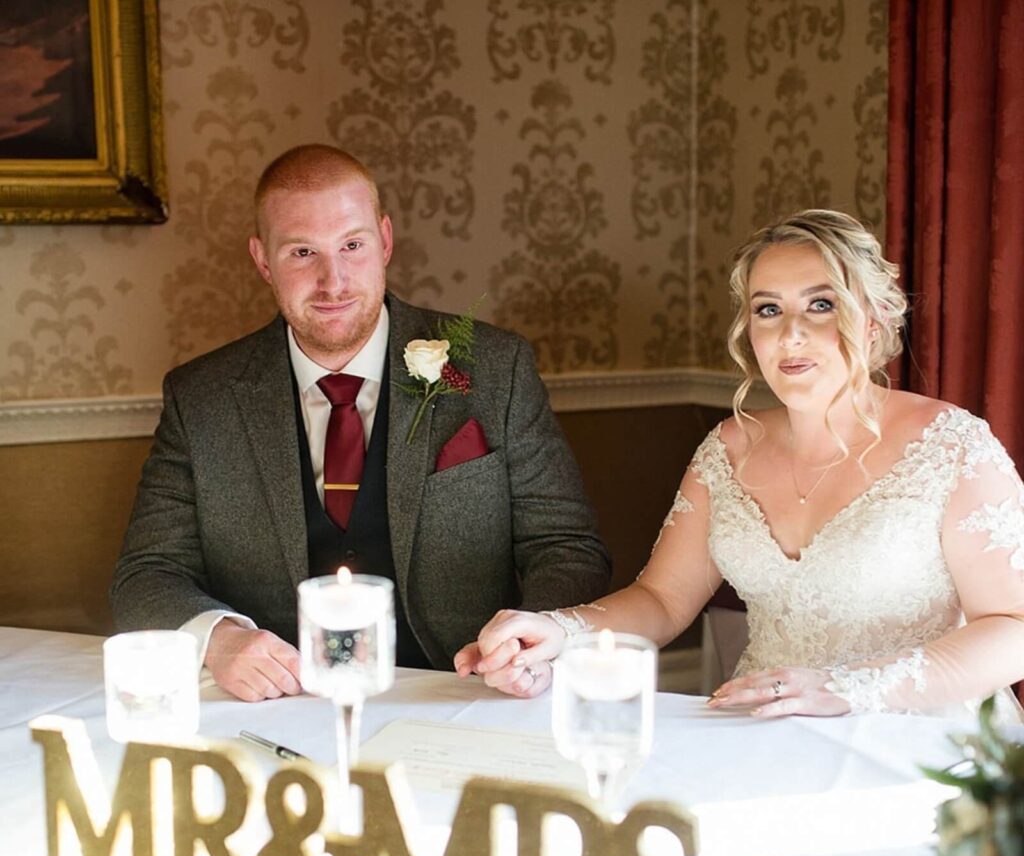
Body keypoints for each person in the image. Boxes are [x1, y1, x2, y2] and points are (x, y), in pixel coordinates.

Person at [457, 209, 1024, 722]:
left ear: (873, 321)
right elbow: (661, 600)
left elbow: (1013, 628)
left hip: (925, 745)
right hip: (766, 735)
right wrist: (557, 631)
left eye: (821, 305)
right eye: (768, 310)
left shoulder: (952, 447)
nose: (790, 334)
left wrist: (851, 687)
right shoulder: (727, 449)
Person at [111, 143, 610, 701]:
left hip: (460, 695)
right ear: (262, 260)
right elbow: (147, 573)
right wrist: (220, 640)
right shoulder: (201, 398)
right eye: (302, 252)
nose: (334, 281)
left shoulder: (495, 369)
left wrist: (525, 642)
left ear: (386, 241)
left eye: (352, 245)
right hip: (282, 705)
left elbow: (567, 548)